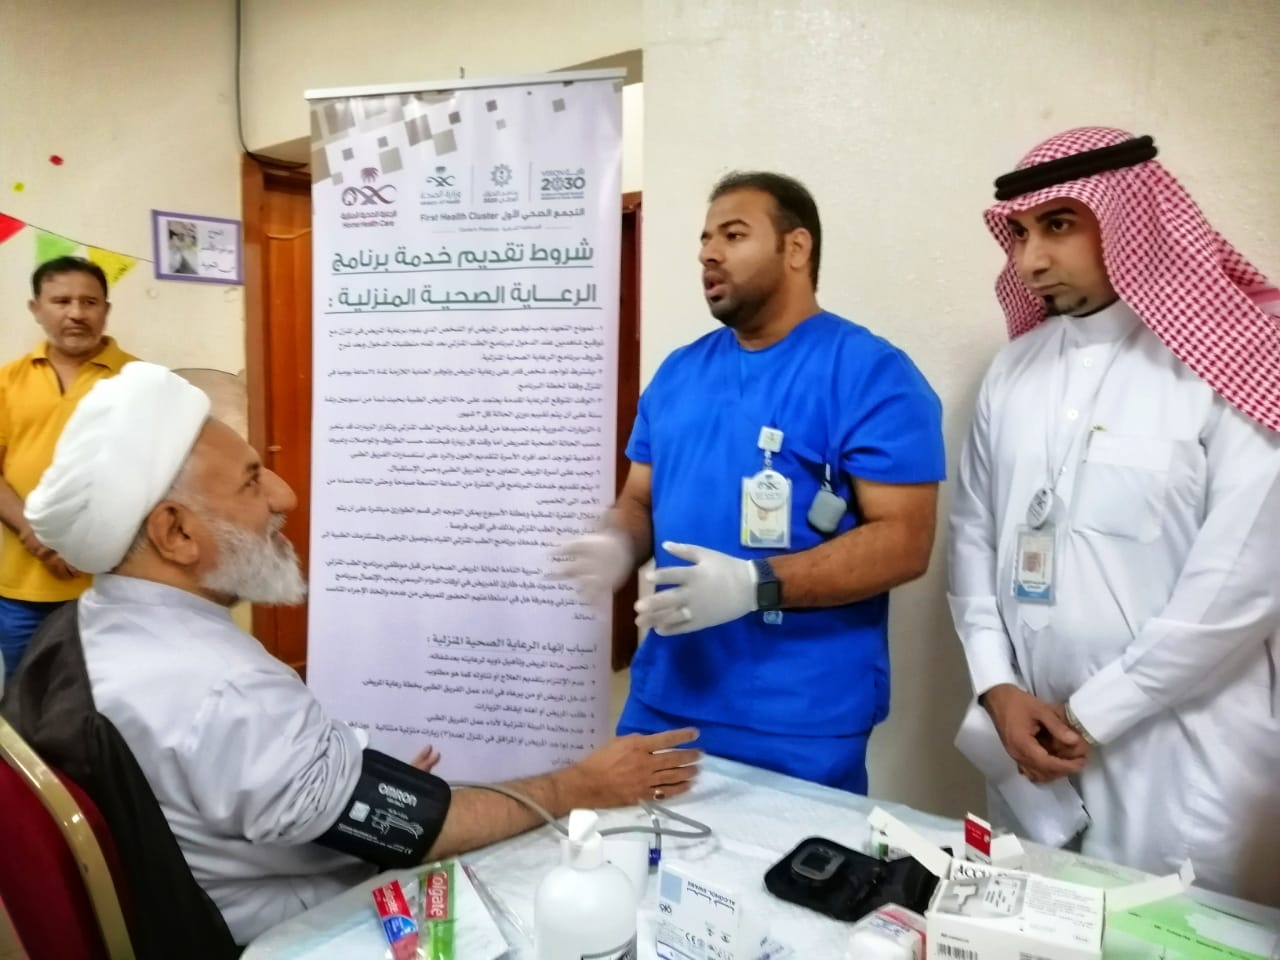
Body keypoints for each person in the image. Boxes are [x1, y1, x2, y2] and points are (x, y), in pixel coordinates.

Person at [20, 361, 700, 943]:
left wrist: (352, 787)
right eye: (253, 481)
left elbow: (240, 778)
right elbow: (420, 831)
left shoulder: (82, 626)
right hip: (289, 934)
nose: (285, 496)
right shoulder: (225, 688)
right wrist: (583, 785)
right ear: (175, 533)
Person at [948, 127, 1280, 896]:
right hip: (1027, 750)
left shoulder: (1231, 366)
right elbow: (971, 537)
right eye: (1020, 232)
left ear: (1135, 220)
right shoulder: (1013, 371)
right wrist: (997, 686)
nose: (1030, 261)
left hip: (1180, 759)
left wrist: (1092, 713)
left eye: (1059, 224)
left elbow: (1240, 587)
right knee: (1029, 930)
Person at [553, 172, 945, 794]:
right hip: (665, 700)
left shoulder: (871, 375)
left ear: (796, 248)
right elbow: (639, 499)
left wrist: (753, 583)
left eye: (733, 236)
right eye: (705, 239)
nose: (709, 254)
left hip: (799, 719)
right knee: (634, 852)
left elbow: (905, 541)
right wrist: (617, 542)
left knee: (787, 859)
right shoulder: (678, 374)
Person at [0, 256, 138, 677]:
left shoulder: (140, 380)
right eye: (61, 301)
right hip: (22, 589)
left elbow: (152, 478)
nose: (76, 313)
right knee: (28, 697)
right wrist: (38, 537)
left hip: (113, 584)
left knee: (109, 696)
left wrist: (87, 545)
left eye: (89, 302)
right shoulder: (7, 381)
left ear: (106, 310)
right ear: (36, 308)